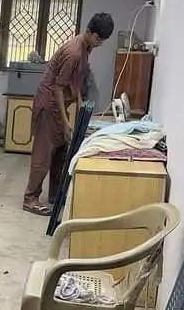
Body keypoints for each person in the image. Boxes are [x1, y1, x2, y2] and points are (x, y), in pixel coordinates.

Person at [23, 13, 115, 215]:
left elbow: (76, 81)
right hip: (49, 104)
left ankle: (56, 195)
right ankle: (30, 198)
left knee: (61, 151)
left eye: (102, 41)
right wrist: (65, 123)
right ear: (89, 32)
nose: (99, 43)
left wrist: (80, 104)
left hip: (60, 105)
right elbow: (57, 88)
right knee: (44, 154)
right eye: (98, 39)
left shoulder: (86, 48)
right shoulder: (73, 53)